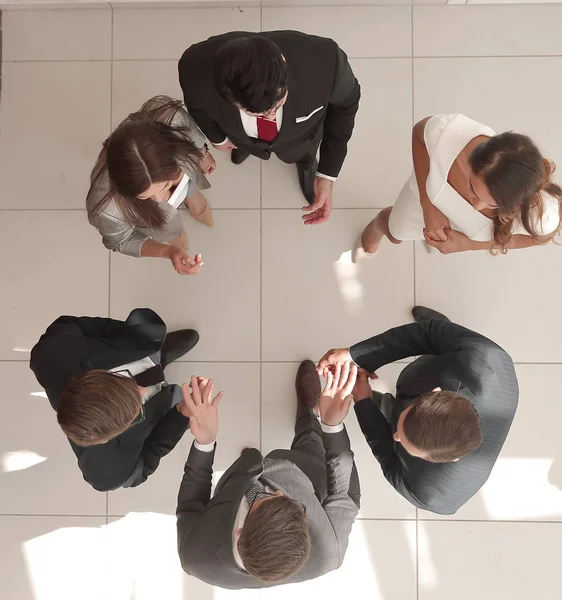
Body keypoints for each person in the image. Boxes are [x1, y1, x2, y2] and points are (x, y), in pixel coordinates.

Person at [318, 306, 519, 515]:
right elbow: (427, 334)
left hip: (441, 382)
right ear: (434, 392)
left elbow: (388, 458)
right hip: (446, 365)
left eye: (402, 438)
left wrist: (363, 401)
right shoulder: (485, 357)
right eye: (401, 427)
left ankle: (383, 402)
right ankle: (448, 334)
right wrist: (355, 356)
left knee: (385, 410)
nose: (394, 435)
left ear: (451, 459)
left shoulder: (431, 495)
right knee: (438, 335)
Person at [176, 360, 360, 588]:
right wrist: (332, 426)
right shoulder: (330, 553)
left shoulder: (195, 555)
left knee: (248, 461)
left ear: (238, 532)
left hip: (236, 482)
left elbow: (190, 503)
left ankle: (251, 460)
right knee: (310, 440)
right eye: (291, 502)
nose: (278, 492)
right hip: (303, 473)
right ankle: (308, 413)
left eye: (264, 500)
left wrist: (205, 442)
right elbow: (347, 496)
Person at [178, 32, 360, 225]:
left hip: (302, 140)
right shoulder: (194, 69)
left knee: (305, 153)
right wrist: (219, 139)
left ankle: (306, 165)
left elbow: (346, 105)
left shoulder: (328, 61)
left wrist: (326, 174)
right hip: (238, 137)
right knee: (245, 144)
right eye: (255, 114)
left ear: (283, 61)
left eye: (279, 101)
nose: (271, 117)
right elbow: (198, 107)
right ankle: (248, 147)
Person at [29, 308, 200, 491]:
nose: (142, 390)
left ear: (94, 376)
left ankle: (156, 355)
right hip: (159, 410)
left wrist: (130, 337)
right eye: (136, 410)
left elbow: (80, 325)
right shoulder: (106, 473)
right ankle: (154, 363)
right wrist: (181, 416)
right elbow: (144, 465)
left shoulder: (51, 350)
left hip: (123, 351)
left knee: (147, 353)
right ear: (104, 440)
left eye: (125, 381)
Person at [355, 113, 562, 259]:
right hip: (421, 207)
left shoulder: (541, 212)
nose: (476, 206)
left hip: (455, 233)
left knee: (428, 237)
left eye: (492, 203)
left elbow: (538, 239)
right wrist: (429, 206)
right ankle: (379, 225)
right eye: (472, 189)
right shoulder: (449, 134)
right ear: (471, 160)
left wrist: (467, 244)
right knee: (396, 232)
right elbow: (419, 132)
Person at [87, 95, 217, 275]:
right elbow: (121, 241)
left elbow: (192, 136)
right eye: (145, 196)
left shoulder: (169, 116)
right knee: (170, 230)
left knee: (188, 188)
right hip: (156, 221)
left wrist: (202, 154)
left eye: (167, 186)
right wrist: (168, 251)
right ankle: (176, 234)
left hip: (182, 174)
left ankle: (192, 197)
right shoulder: (105, 209)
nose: (161, 200)